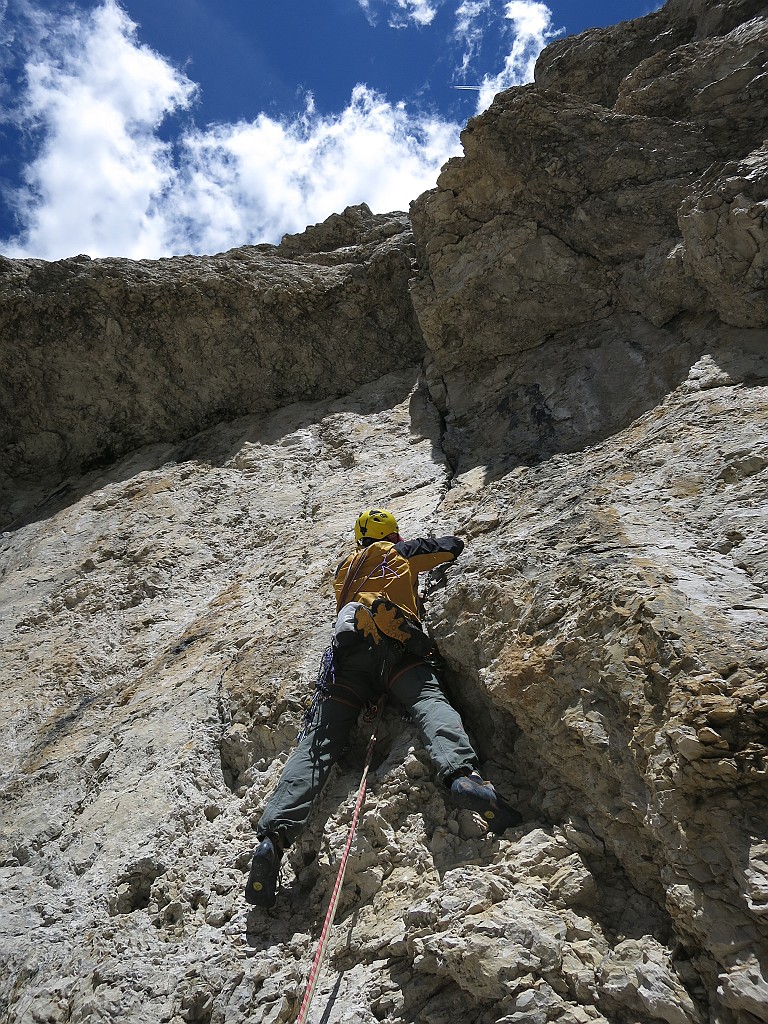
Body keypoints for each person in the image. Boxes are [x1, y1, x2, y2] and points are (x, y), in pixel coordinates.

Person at [245, 508, 522, 908]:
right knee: (428, 701)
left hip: (348, 662)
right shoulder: (400, 552)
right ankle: (464, 776)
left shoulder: (345, 570)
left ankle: (274, 834)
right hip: (398, 654)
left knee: (318, 743)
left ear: (359, 540)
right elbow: (450, 548)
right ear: (392, 536)